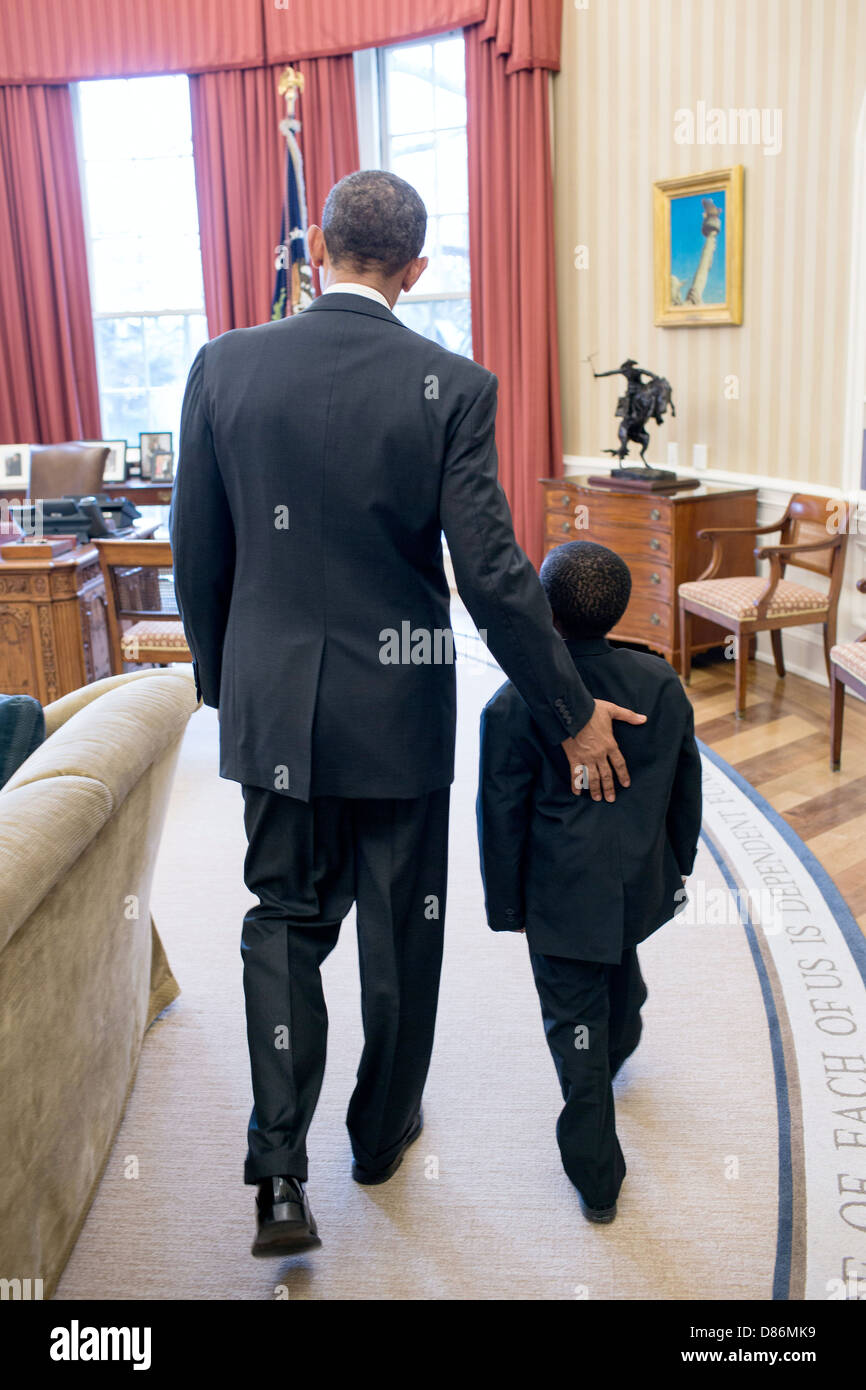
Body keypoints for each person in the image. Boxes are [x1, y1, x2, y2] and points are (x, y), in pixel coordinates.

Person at [169, 171, 646, 1258]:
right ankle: (378, 1138)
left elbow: (198, 553)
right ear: (416, 269)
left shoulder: (222, 366)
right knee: (399, 933)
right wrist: (568, 709)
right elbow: (489, 571)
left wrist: (221, 681)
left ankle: (278, 1172)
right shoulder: (451, 384)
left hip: (274, 706)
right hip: (397, 711)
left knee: (282, 921)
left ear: (319, 250)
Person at [477, 541, 702, 1222]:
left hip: (560, 896)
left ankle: (598, 1179)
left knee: (576, 1035)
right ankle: (622, 1034)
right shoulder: (660, 681)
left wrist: (506, 906)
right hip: (636, 878)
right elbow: (685, 782)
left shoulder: (514, 702)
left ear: (545, 609)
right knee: (618, 971)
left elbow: (500, 816)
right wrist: (678, 864)